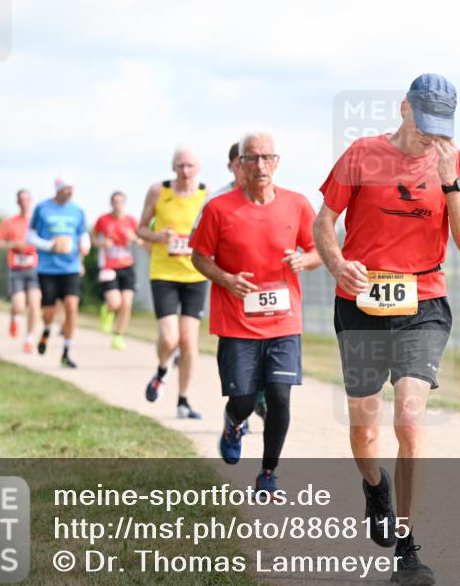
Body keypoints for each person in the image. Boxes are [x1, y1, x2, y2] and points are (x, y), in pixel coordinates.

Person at [313, 74, 460, 586]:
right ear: (404, 109)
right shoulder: (361, 154)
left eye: (440, 128)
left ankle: (408, 546)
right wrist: (337, 263)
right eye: (423, 123)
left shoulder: (454, 162)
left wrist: (451, 180)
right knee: (365, 427)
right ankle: (373, 486)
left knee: (409, 419)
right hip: (361, 302)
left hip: (422, 303)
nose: (429, 137)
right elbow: (325, 222)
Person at [192, 131, 321, 494]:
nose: (260, 165)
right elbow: (199, 256)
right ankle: (234, 423)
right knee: (245, 400)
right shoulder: (219, 209)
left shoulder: (297, 205)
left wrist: (304, 259)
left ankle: (268, 474)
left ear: (277, 162)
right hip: (237, 322)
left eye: (267, 158)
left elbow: (318, 251)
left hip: (284, 322)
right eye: (252, 159)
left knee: (280, 396)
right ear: (240, 165)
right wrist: (227, 279)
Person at [194, 142, 267, 422]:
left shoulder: (269, 194)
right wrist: (227, 277)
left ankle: (260, 396)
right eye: (242, 162)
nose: (250, 168)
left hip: (268, 291)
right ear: (233, 166)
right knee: (239, 359)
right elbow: (199, 247)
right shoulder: (216, 201)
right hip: (233, 292)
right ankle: (241, 408)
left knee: (269, 351)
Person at [136, 146, 209, 419]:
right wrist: (158, 236)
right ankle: (162, 369)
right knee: (170, 337)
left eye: (190, 166)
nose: (185, 171)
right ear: (173, 167)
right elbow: (140, 228)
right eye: (180, 165)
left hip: (194, 274)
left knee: (189, 341)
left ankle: (183, 400)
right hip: (164, 273)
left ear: (198, 168)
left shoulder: (207, 194)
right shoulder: (158, 191)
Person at [28, 175, 89, 368]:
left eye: (72, 189)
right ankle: (46, 329)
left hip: (70, 266)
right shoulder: (42, 208)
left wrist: (84, 246)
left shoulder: (77, 210)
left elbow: (83, 234)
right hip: (48, 268)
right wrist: (49, 246)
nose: (69, 192)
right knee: (49, 311)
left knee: (72, 306)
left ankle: (66, 352)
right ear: (58, 189)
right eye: (66, 189)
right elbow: (30, 236)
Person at [0, 190, 41, 353]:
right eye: (21, 200)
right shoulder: (9, 222)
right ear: (17, 202)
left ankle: (29, 339)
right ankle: (15, 316)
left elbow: (46, 241)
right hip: (16, 268)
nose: (24, 203)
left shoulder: (37, 222)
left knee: (35, 305)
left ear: (31, 201)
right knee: (19, 305)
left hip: (35, 268)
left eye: (26, 200)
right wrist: (14, 244)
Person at [93, 191, 139, 350]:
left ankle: (118, 336)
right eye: (115, 202)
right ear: (111, 203)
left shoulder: (131, 220)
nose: (117, 204)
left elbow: (140, 240)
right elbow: (92, 239)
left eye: (120, 202)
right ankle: (107, 310)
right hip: (108, 265)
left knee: (126, 304)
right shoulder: (103, 220)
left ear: (124, 203)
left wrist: (134, 238)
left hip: (127, 266)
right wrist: (101, 243)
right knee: (115, 302)